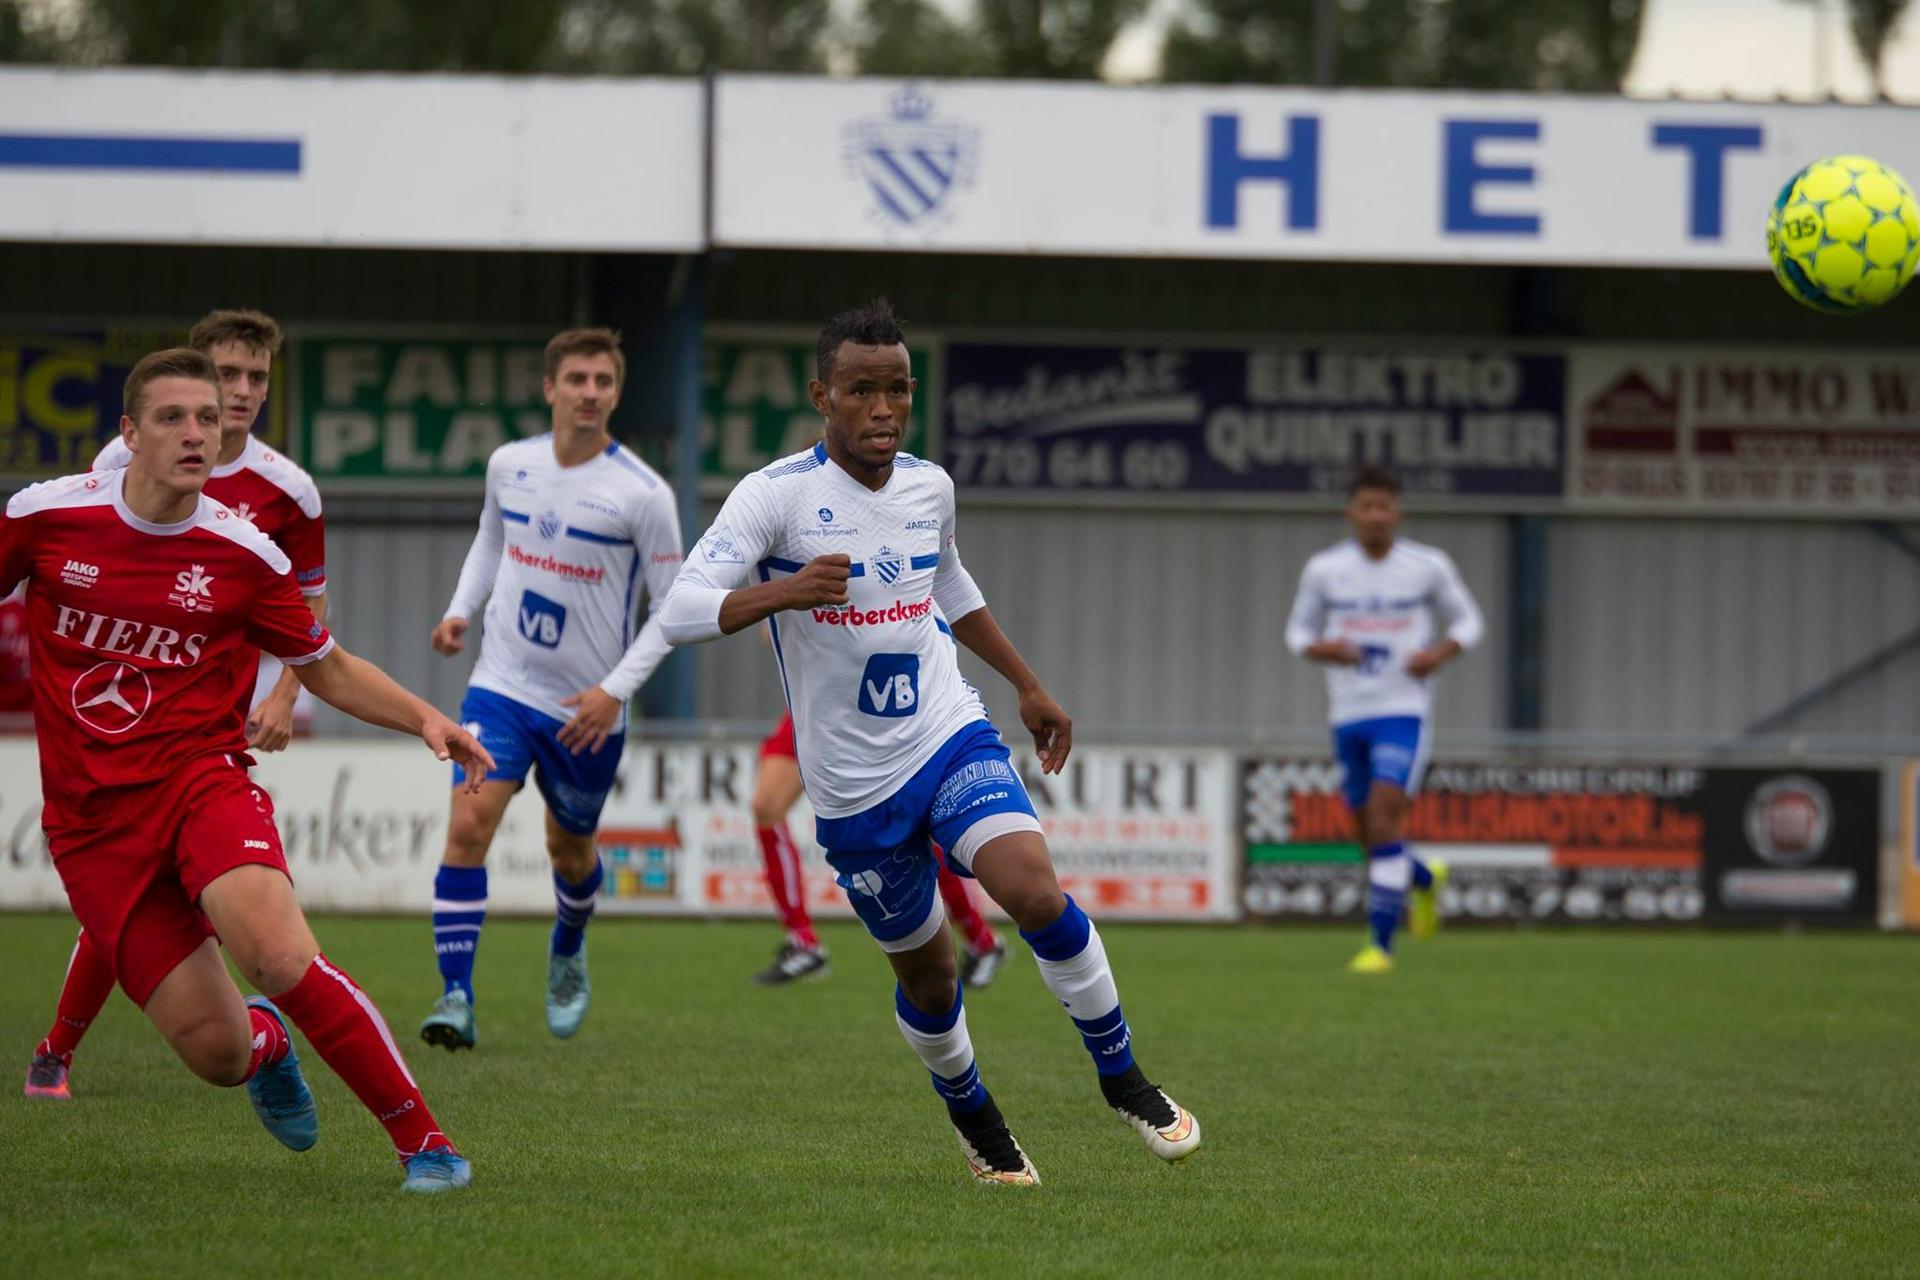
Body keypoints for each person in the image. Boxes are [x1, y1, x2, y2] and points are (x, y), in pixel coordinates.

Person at [660, 299, 1199, 1186]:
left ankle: (1123, 1078)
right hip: (851, 789)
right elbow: (679, 610)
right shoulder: (775, 497)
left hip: (945, 733)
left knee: (1031, 888)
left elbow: (948, 579)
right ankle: (975, 1115)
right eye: (861, 390)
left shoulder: (929, 486)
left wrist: (1026, 682)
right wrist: (782, 592)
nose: (883, 408)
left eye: (898, 390)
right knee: (933, 981)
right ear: (821, 397)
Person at [2, 348, 488, 1191]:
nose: (198, 433)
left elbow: (326, 664)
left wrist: (426, 718)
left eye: (209, 419)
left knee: (275, 953)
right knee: (218, 1054)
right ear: (128, 434)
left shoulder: (244, 552)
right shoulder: (47, 517)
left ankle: (428, 1148)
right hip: (90, 827)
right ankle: (266, 1048)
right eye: (173, 418)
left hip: (200, 781)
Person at [27, 308, 326, 1102]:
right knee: (130, 894)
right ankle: (60, 1048)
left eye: (255, 379)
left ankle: (67, 1050)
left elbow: (311, 615)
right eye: (225, 375)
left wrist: (285, 695)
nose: (239, 393)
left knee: (246, 920)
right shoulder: (127, 468)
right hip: (133, 730)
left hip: (222, 733)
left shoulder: (289, 491)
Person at [420, 327, 682, 1050]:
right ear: (550, 389)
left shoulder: (645, 494)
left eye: (602, 381)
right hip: (500, 686)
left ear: (616, 392)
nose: (589, 392)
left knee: (570, 851)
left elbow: (673, 610)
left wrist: (613, 691)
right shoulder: (511, 465)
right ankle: (456, 996)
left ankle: (568, 942)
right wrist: (458, 611)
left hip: (585, 714)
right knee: (468, 827)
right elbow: (490, 541)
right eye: (577, 380)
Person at [1285, 465, 1484, 974]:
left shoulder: (1427, 566)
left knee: (1383, 814)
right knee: (1365, 832)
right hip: (1348, 712)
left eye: (1384, 506)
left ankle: (1381, 945)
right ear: (1351, 512)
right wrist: (1322, 649)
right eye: (1366, 506)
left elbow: (1469, 620)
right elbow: (1296, 634)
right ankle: (1422, 879)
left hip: (1404, 709)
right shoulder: (1325, 569)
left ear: (1398, 512)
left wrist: (1440, 652)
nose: (1375, 516)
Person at [751, 709, 1008, 988]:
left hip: (872, 702)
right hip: (815, 703)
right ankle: (803, 941)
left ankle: (981, 939)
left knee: (907, 825)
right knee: (766, 807)